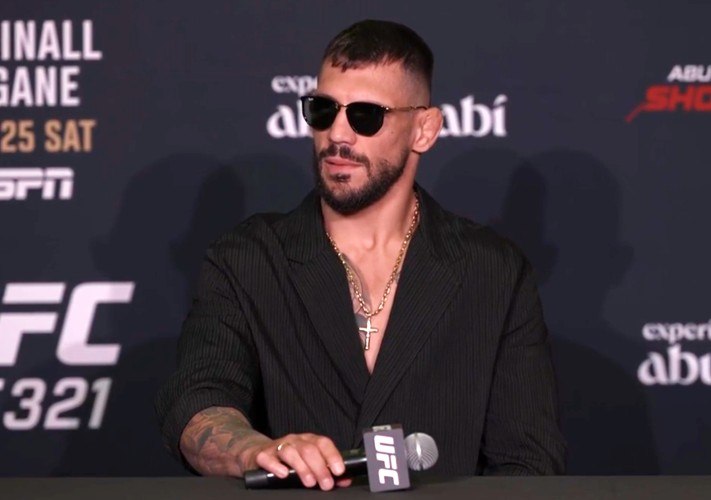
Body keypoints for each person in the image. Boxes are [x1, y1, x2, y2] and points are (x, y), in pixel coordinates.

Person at [155, 19, 566, 489]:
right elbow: (197, 401)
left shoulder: (492, 272)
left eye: (365, 116)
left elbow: (529, 463)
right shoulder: (248, 260)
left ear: (424, 130)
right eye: (323, 110)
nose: (338, 135)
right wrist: (255, 450)